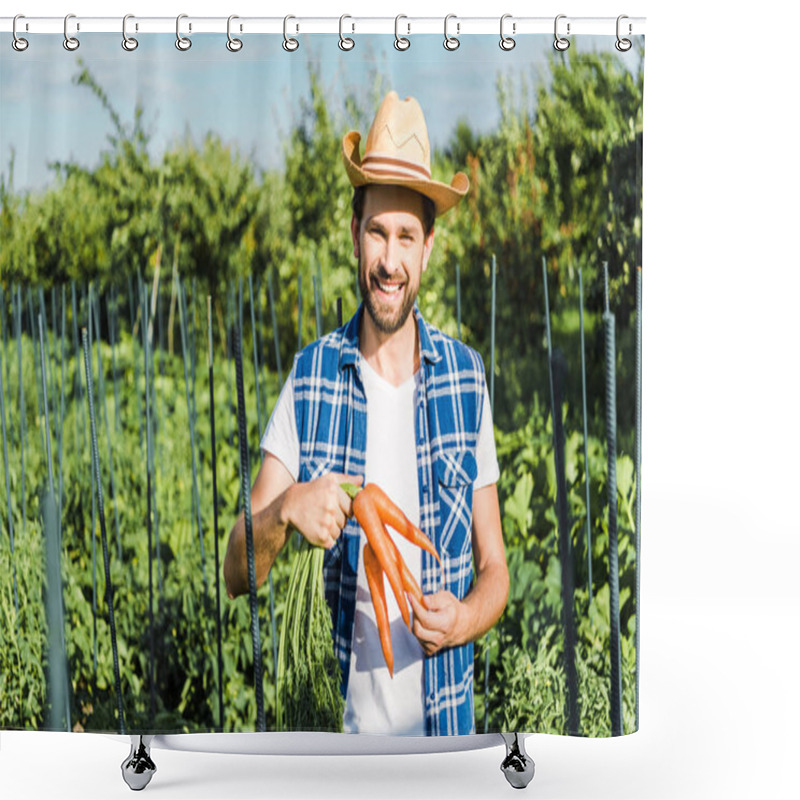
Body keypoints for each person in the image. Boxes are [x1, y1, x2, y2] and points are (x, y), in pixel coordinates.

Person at [224, 91, 508, 736]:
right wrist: (285, 508)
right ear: (355, 235)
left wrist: (465, 620)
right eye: (377, 231)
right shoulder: (312, 375)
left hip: (443, 742)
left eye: (406, 236)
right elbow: (238, 570)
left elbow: (495, 568)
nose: (389, 259)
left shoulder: (466, 380)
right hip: (332, 742)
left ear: (428, 248)